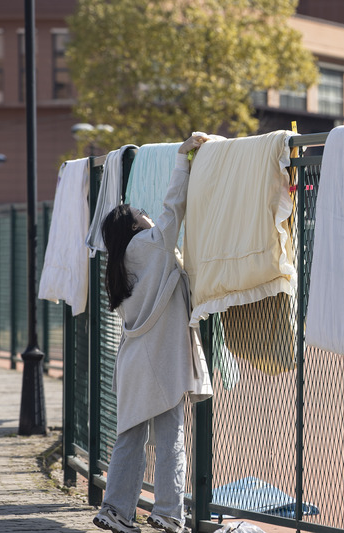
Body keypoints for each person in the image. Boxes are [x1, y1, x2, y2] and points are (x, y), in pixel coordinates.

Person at [93, 134, 214, 533]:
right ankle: (167, 514)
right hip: (162, 361)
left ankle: (114, 510)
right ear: (135, 225)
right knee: (170, 441)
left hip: (133, 363)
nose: (148, 216)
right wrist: (183, 160)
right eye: (141, 214)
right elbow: (173, 208)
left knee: (128, 439)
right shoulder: (153, 244)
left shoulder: (118, 265)